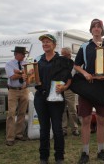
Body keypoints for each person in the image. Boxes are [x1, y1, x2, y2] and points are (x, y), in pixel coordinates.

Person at [74, 19, 104, 164]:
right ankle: (85, 152)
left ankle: (101, 151)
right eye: (94, 26)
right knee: (85, 120)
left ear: (102, 30)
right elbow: (76, 65)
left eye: (99, 27)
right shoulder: (85, 46)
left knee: (100, 120)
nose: (96, 29)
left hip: (102, 87)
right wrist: (85, 73)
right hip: (86, 86)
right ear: (91, 30)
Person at [34, 34, 73, 164]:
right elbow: (34, 79)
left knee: (57, 128)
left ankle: (59, 157)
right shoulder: (38, 60)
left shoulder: (62, 60)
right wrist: (28, 76)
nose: (45, 44)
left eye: (48, 42)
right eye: (43, 42)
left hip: (56, 98)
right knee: (44, 129)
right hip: (40, 97)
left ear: (54, 45)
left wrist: (64, 87)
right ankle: (43, 157)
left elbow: (69, 79)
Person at [5, 46, 29, 146]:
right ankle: (10, 137)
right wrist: (23, 74)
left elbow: (31, 75)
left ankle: (19, 134)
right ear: (16, 54)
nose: (24, 56)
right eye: (22, 54)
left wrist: (20, 73)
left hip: (24, 90)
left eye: (25, 54)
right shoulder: (9, 64)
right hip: (13, 91)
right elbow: (12, 76)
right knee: (11, 113)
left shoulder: (26, 63)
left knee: (22, 113)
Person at [61, 47, 80, 137]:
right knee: (62, 109)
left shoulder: (74, 64)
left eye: (64, 55)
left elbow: (74, 76)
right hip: (60, 88)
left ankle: (75, 128)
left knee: (72, 109)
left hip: (70, 89)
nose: (62, 56)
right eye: (62, 54)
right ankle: (63, 129)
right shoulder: (59, 63)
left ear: (69, 55)